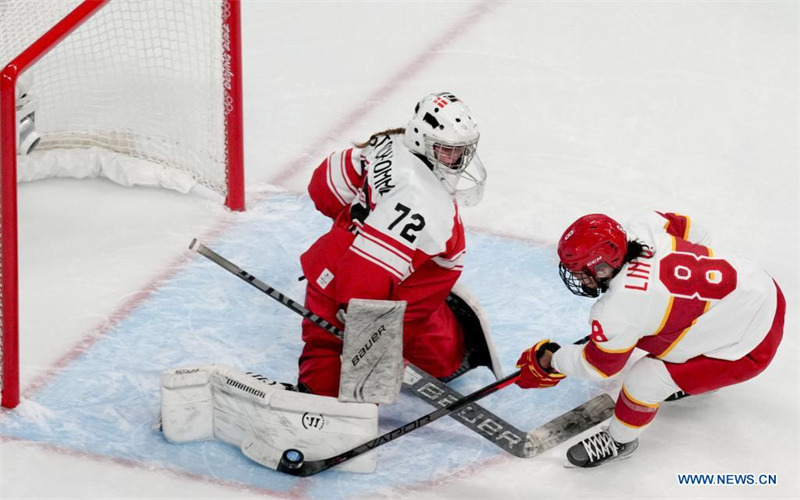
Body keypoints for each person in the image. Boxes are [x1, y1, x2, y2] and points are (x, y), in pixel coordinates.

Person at [514, 211, 785, 468]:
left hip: (750, 348)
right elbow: (697, 231)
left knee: (644, 381)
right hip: (761, 286)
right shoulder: (642, 228)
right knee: (661, 337)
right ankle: (696, 357)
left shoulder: (618, 310)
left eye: (581, 272)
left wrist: (553, 360)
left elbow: (599, 366)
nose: (577, 278)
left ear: (603, 268)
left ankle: (619, 442)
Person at [297, 91, 497, 397]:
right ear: (422, 139)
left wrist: (354, 226)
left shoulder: (390, 143)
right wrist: (365, 325)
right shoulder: (421, 201)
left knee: (329, 346)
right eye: (447, 150)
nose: (457, 160)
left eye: (461, 150)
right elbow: (367, 273)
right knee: (346, 378)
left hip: (331, 272)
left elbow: (325, 186)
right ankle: (325, 402)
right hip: (368, 298)